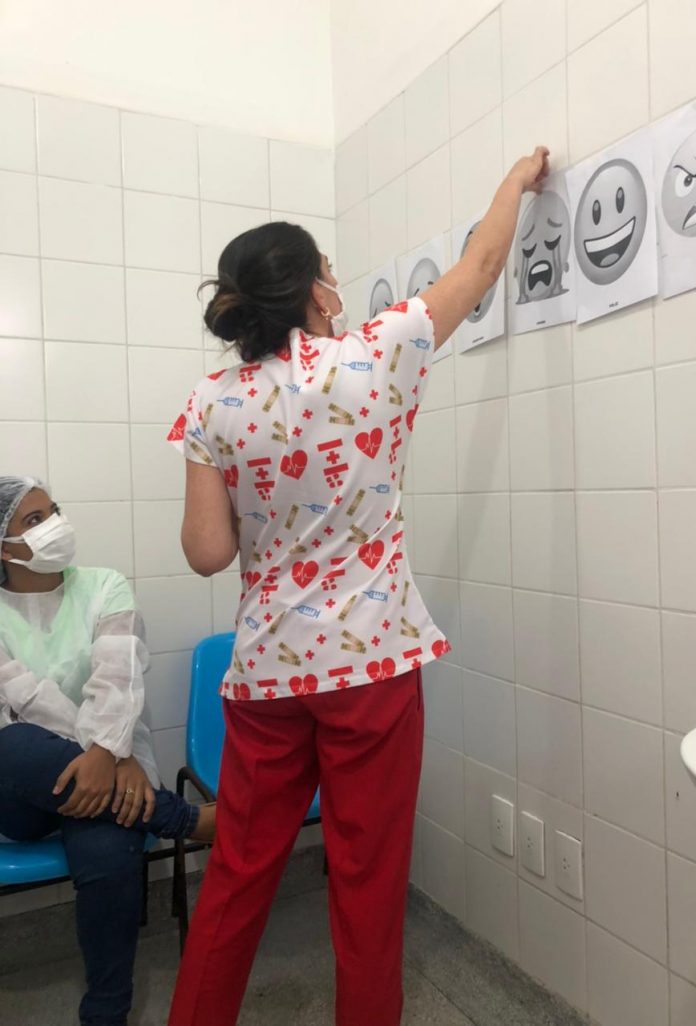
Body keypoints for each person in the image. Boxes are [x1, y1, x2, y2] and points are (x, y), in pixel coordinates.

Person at [166, 145, 550, 1026]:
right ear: (314, 292)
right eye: (330, 272)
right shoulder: (378, 354)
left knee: (237, 876)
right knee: (368, 882)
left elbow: (207, 552)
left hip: (267, 673)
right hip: (370, 666)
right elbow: (481, 266)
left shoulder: (211, 401)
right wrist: (514, 180)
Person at [0, 477, 216, 1026]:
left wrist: (107, 754)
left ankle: (106, 1012)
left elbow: (118, 676)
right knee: (13, 742)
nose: (54, 524)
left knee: (107, 851)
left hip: (110, 776)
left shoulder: (104, 585)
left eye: (54, 510)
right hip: (23, 794)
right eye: (34, 520)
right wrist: (107, 757)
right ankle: (183, 819)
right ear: (3, 548)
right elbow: (18, 702)